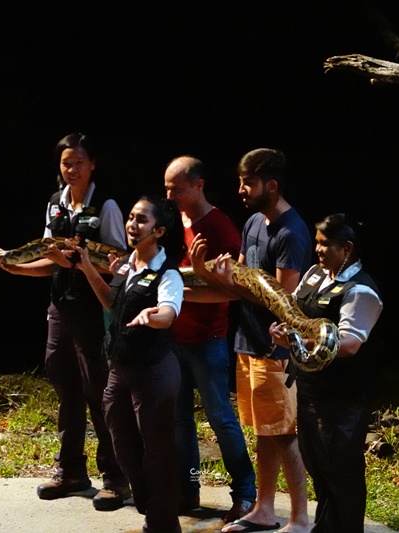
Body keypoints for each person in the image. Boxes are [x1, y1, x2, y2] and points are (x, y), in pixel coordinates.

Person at [0, 132, 130, 510]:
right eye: (65, 163)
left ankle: (116, 477)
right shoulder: (55, 204)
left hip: (94, 310)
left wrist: (74, 262)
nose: (72, 169)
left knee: (99, 391)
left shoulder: (106, 207)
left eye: (79, 162)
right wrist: (16, 268)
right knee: (65, 387)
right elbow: (46, 258)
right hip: (61, 309)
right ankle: (70, 472)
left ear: (93, 165)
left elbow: (117, 264)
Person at [186, 148, 314, 533]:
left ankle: (300, 518)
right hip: (247, 341)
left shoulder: (292, 232)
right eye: (241, 181)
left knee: (285, 435)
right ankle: (263, 508)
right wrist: (201, 276)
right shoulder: (254, 222)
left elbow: (281, 302)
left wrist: (212, 276)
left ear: (271, 185)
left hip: (275, 348)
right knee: (263, 433)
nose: (241, 189)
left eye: (249, 183)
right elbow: (242, 283)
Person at [63, 194, 186, 533]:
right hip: (119, 371)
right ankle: (149, 505)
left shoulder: (167, 273)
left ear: (158, 231)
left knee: (157, 450)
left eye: (141, 220)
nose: (132, 225)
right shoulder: (127, 265)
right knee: (124, 446)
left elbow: (169, 313)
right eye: (131, 218)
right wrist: (87, 266)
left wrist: (152, 315)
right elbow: (110, 303)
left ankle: (163, 522)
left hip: (154, 373)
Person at [268, 213, 383, 532]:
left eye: (325, 245)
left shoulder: (361, 291)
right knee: (317, 466)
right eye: (317, 243)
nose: (317, 250)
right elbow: (294, 309)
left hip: (343, 400)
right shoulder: (316, 275)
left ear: (347, 249)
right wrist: (286, 331)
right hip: (310, 390)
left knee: (341, 474)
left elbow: (348, 344)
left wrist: (295, 339)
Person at [163, 156, 257, 523]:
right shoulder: (173, 221)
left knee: (221, 418)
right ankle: (188, 490)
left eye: (177, 189)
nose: (169, 195)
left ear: (198, 186)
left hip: (207, 340)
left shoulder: (219, 227)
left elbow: (234, 291)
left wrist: (178, 293)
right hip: (174, 339)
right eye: (166, 188)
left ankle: (245, 493)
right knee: (179, 420)